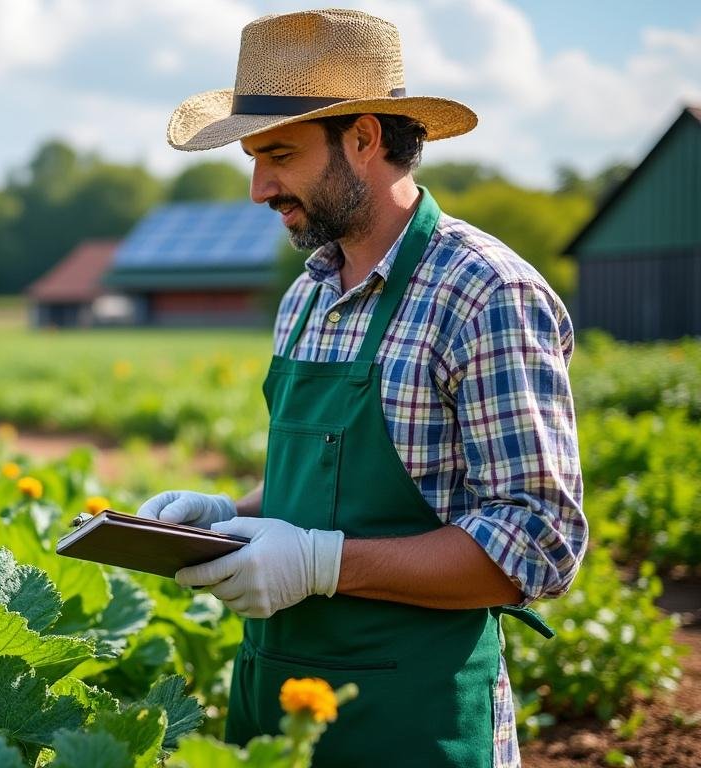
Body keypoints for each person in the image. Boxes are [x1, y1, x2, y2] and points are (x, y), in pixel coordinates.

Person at [138, 9, 587, 768]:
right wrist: (223, 515)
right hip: (274, 705)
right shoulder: (307, 294)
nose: (258, 188)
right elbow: (323, 486)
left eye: (277, 154)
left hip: (413, 720)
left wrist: (322, 564)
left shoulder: (484, 292)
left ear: (365, 139)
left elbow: (538, 541)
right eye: (253, 159)